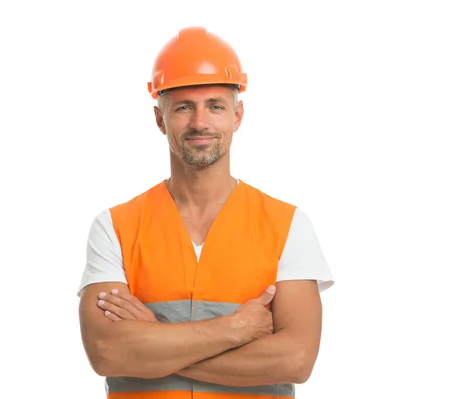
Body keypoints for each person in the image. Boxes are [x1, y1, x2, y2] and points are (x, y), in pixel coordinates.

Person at [77, 26, 335, 398]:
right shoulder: (114, 227)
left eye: (215, 106)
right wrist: (232, 331)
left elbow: (295, 360)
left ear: (237, 115)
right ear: (159, 119)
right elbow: (106, 352)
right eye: (183, 107)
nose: (200, 122)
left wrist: (153, 347)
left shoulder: (288, 225)